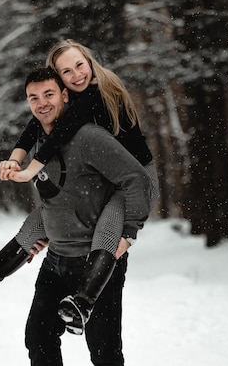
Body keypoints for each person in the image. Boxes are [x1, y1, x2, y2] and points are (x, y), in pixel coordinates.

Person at [15, 67, 154, 365]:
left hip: (98, 258)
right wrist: (45, 231)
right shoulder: (42, 139)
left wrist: (129, 230)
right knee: (38, 337)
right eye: (33, 98)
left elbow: (136, 178)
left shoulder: (90, 135)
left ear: (65, 95)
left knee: (104, 350)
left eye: (49, 94)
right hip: (57, 259)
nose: (41, 103)